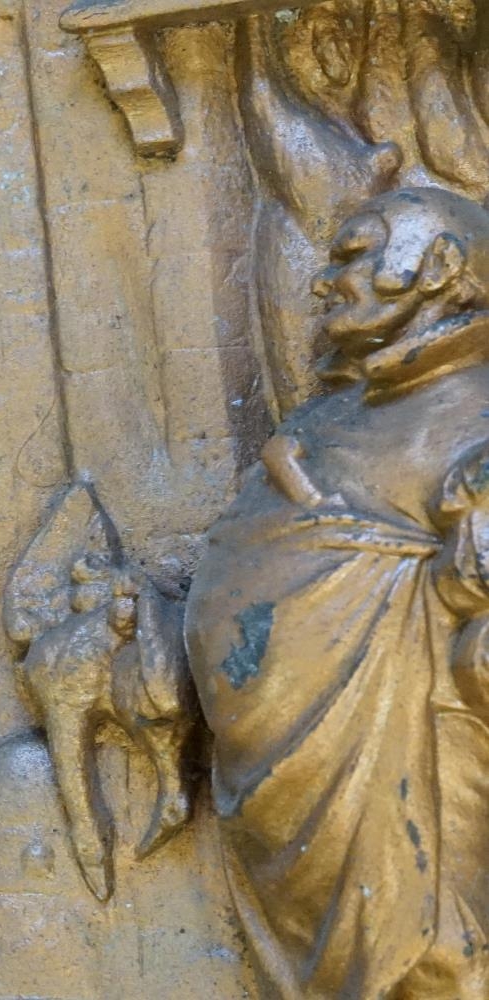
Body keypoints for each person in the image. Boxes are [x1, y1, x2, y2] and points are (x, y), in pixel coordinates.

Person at [186, 187, 489, 999]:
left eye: (355, 254)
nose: (326, 281)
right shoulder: (324, 425)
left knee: (442, 963)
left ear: (439, 266)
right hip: (281, 798)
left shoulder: (475, 414)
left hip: (417, 750)